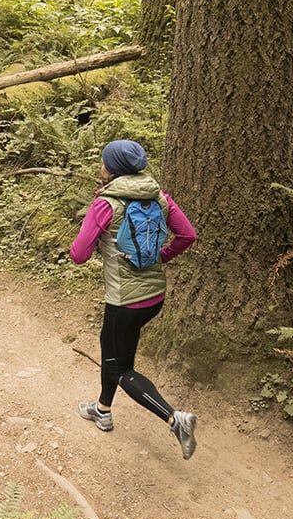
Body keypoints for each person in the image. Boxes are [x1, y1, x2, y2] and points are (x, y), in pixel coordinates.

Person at [69, 139, 200, 459]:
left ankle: (175, 419)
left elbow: (78, 255)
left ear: (113, 169)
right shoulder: (158, 196)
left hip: (124, 301)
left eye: (104, 162)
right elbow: (188, 235)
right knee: (111, 350)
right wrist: (162, 256)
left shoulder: (106, 204)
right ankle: (102, 410)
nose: (101, 166)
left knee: (120, 368)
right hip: (154, 297)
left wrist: (96, 233)